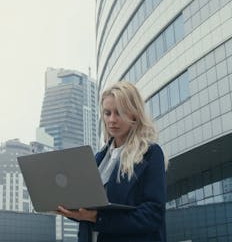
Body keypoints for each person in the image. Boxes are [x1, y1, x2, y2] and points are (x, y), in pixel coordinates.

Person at [57, 81, 168, 242]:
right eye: (107, 113)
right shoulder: (98, 159)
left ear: (134, 114)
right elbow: (87, 215)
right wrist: (69, 209)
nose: (112, 120)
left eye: (119, 113)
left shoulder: (150, 153)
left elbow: (152, 214)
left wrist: (97, 218)